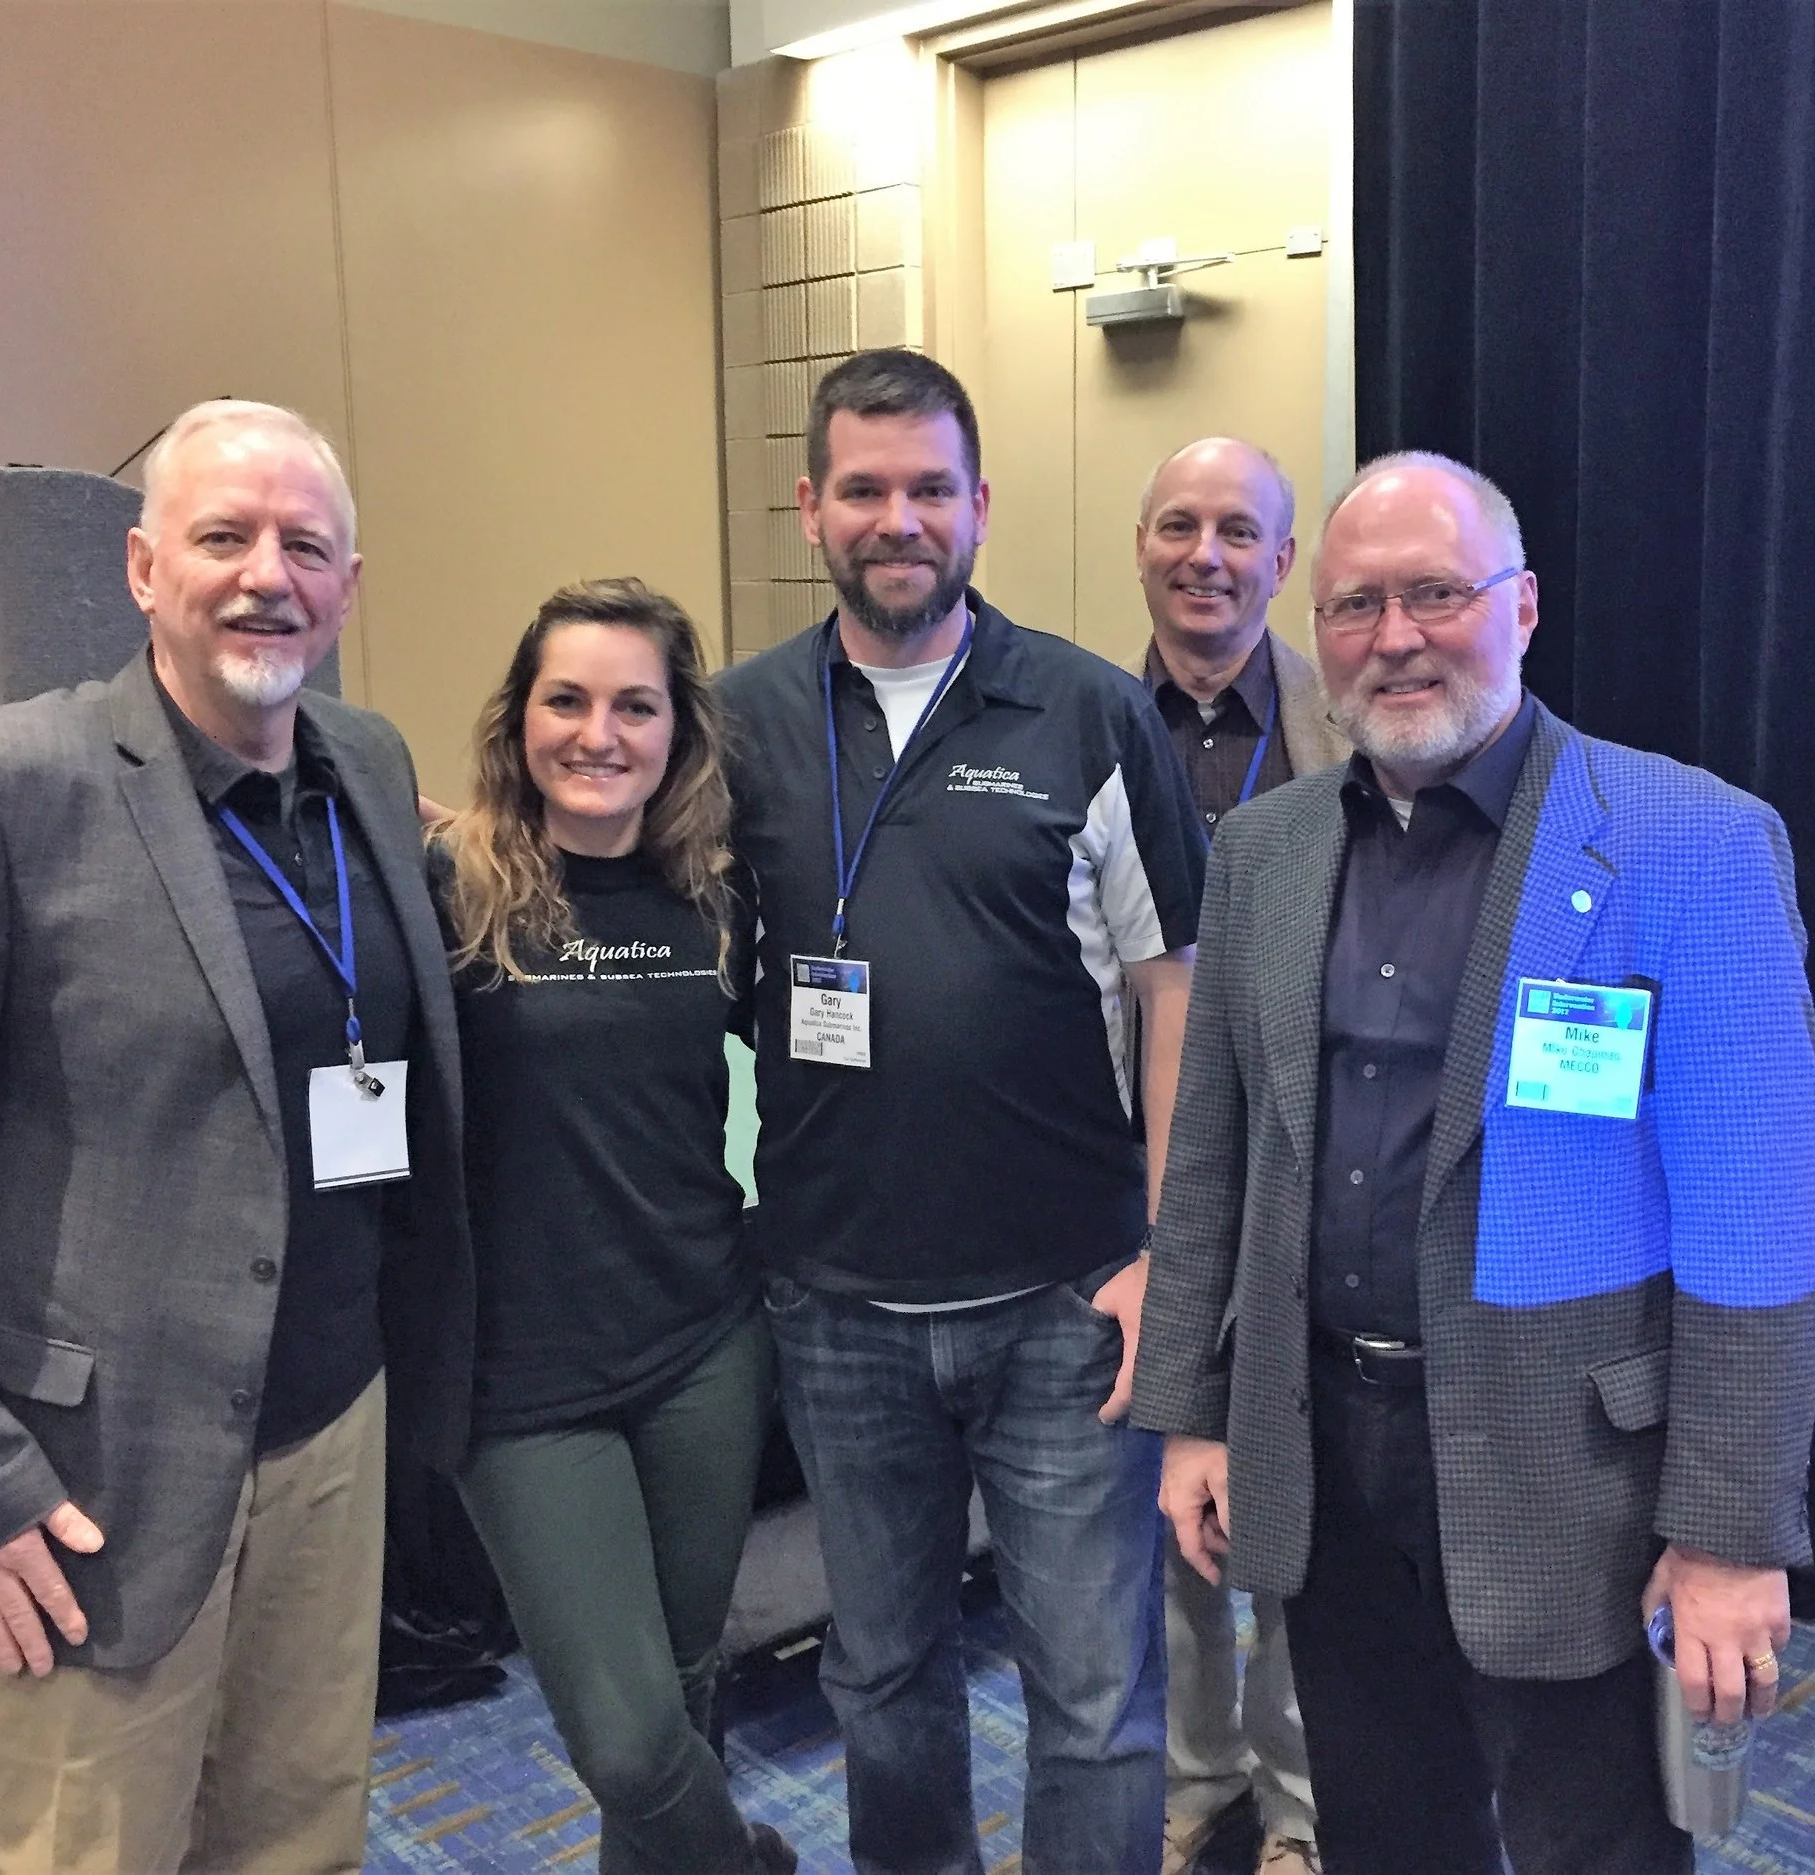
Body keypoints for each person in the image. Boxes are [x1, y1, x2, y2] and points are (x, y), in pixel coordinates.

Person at [0, 399, 473, 1874]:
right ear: (145, 570)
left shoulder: (360, 758)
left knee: (297, 1834)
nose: (264, 573)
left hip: (332, 1427)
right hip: (85, 1471)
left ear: (349, 582)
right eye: (223, 536)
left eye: (304, 544)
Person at [1132, 451, 1815, 1875]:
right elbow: (1215, 1159)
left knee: (1598, 1847)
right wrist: (1197, 1415)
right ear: (1311, 628)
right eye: (1354, 606)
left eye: (1436, 593)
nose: (1394, 637)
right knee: (1389, 1831)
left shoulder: (1686, 842)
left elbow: (1757, 1221)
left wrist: (1726, 1534)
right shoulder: (1264, 851)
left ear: (1521, 607)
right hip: (1326, 1451)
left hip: (1570, 1471)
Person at [719, 348, 1207, 1875]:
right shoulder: (738, 723)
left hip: (1071, 1299)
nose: (899, 517)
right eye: (863, 487)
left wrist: (1166, 1255)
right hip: (837, 1301)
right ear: (812, 508)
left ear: (980, 504)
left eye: (931, 486)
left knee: (1095, 1693)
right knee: (881, 1676)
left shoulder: (1087, 710)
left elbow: (1172, 992)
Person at [434, 577, 793, 1875]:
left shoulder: (715, 895)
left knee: (690, 1691)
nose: (600, 732)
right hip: (524, 1384)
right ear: (518, 717)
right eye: (567, 699)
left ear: (679, 728)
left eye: (635, 704)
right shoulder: (452, 888)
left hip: (702, 1344)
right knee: (633, 1740)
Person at [1134, 436, 1341, 1875]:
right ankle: (1194, 1778)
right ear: (1140, 546)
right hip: (1134, 1181)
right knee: (1159, 1505)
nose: (1206, 553)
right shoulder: (1078, 718)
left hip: (1314, 1182)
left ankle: (1300, 1803)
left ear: (1283, 561)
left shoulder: (1357, 714)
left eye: (1239, 531)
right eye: (1178, 525)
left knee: (1298, 1512)